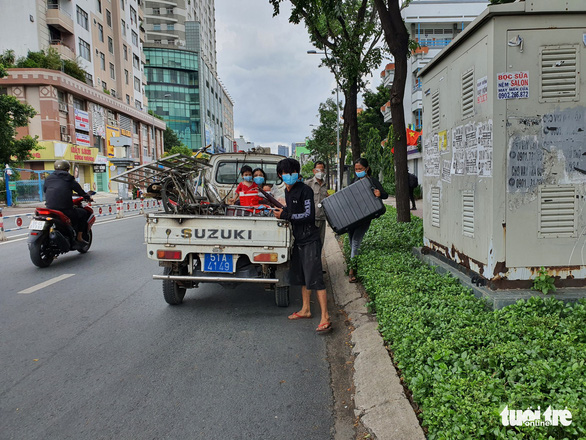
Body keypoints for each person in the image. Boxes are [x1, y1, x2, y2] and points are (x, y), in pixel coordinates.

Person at [273, 158, 331, 334]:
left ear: (297, 174)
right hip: (298, 240)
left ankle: (326, 317)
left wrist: (286, 215)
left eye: (293, 172)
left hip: (310, 239)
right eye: (286, 173)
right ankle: (306, 310)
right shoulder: (287, 192)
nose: (290, 176)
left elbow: (308, 215)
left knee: (315, 278)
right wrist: (284, 213)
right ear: (280, 175)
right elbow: (291, 213)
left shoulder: (305, 190)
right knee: (303, 277)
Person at [348, 158, 388, 283]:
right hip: (352, 217)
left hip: (365, 217)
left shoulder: (372, 181)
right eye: (356, 169)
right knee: (352, 242)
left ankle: (352, 270)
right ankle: (355, 264)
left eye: (360, 169)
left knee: (355, 241)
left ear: (367, 169)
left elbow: (385, 194)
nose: (358, 171)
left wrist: (379, 194)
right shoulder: (354, 181)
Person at [44, 159, 92, 250]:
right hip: (65, 209)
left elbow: (45, 190)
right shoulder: (69, 178)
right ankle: (79, 237)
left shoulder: (48, 178)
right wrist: (87, 197)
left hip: (50, 209)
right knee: (83, 213)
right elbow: (80, 191)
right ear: (67, 169)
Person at [304, 161, 328, 253]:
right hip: (311, 219)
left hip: (322, 218)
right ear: (314, 171)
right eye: (318, 170)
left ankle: (317, 264)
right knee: (311, 243)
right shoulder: (308, 184)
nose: (320, 172)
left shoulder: (325, 185)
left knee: (320, 242)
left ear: (324, 171)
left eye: (322, 170)